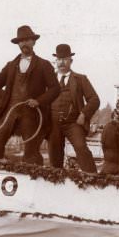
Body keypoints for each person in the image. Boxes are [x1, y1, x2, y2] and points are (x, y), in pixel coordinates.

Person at [0, 25, 59, 163]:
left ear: (34, 42)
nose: (24, 43)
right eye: (21, 40)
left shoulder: (44, 65)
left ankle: (35, 181)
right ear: (18, 44)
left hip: (32, 114)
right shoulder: (11, 66)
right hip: (9, 113)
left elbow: (55, 89)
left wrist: (39, 101)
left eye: (27, 40)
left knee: (31, 152)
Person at [47, 43, 99, 172]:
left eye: (65, 59)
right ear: (55, 61)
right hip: (53, 124)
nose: (61, 62)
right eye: (59, 59)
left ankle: (93, 179)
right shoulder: (48, 79)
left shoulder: (80, 79)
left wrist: (83, 114)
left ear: (71, 61)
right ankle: (56, 182)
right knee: (54, 154)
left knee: (81, 148)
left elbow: (94, 99)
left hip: (73, 123)